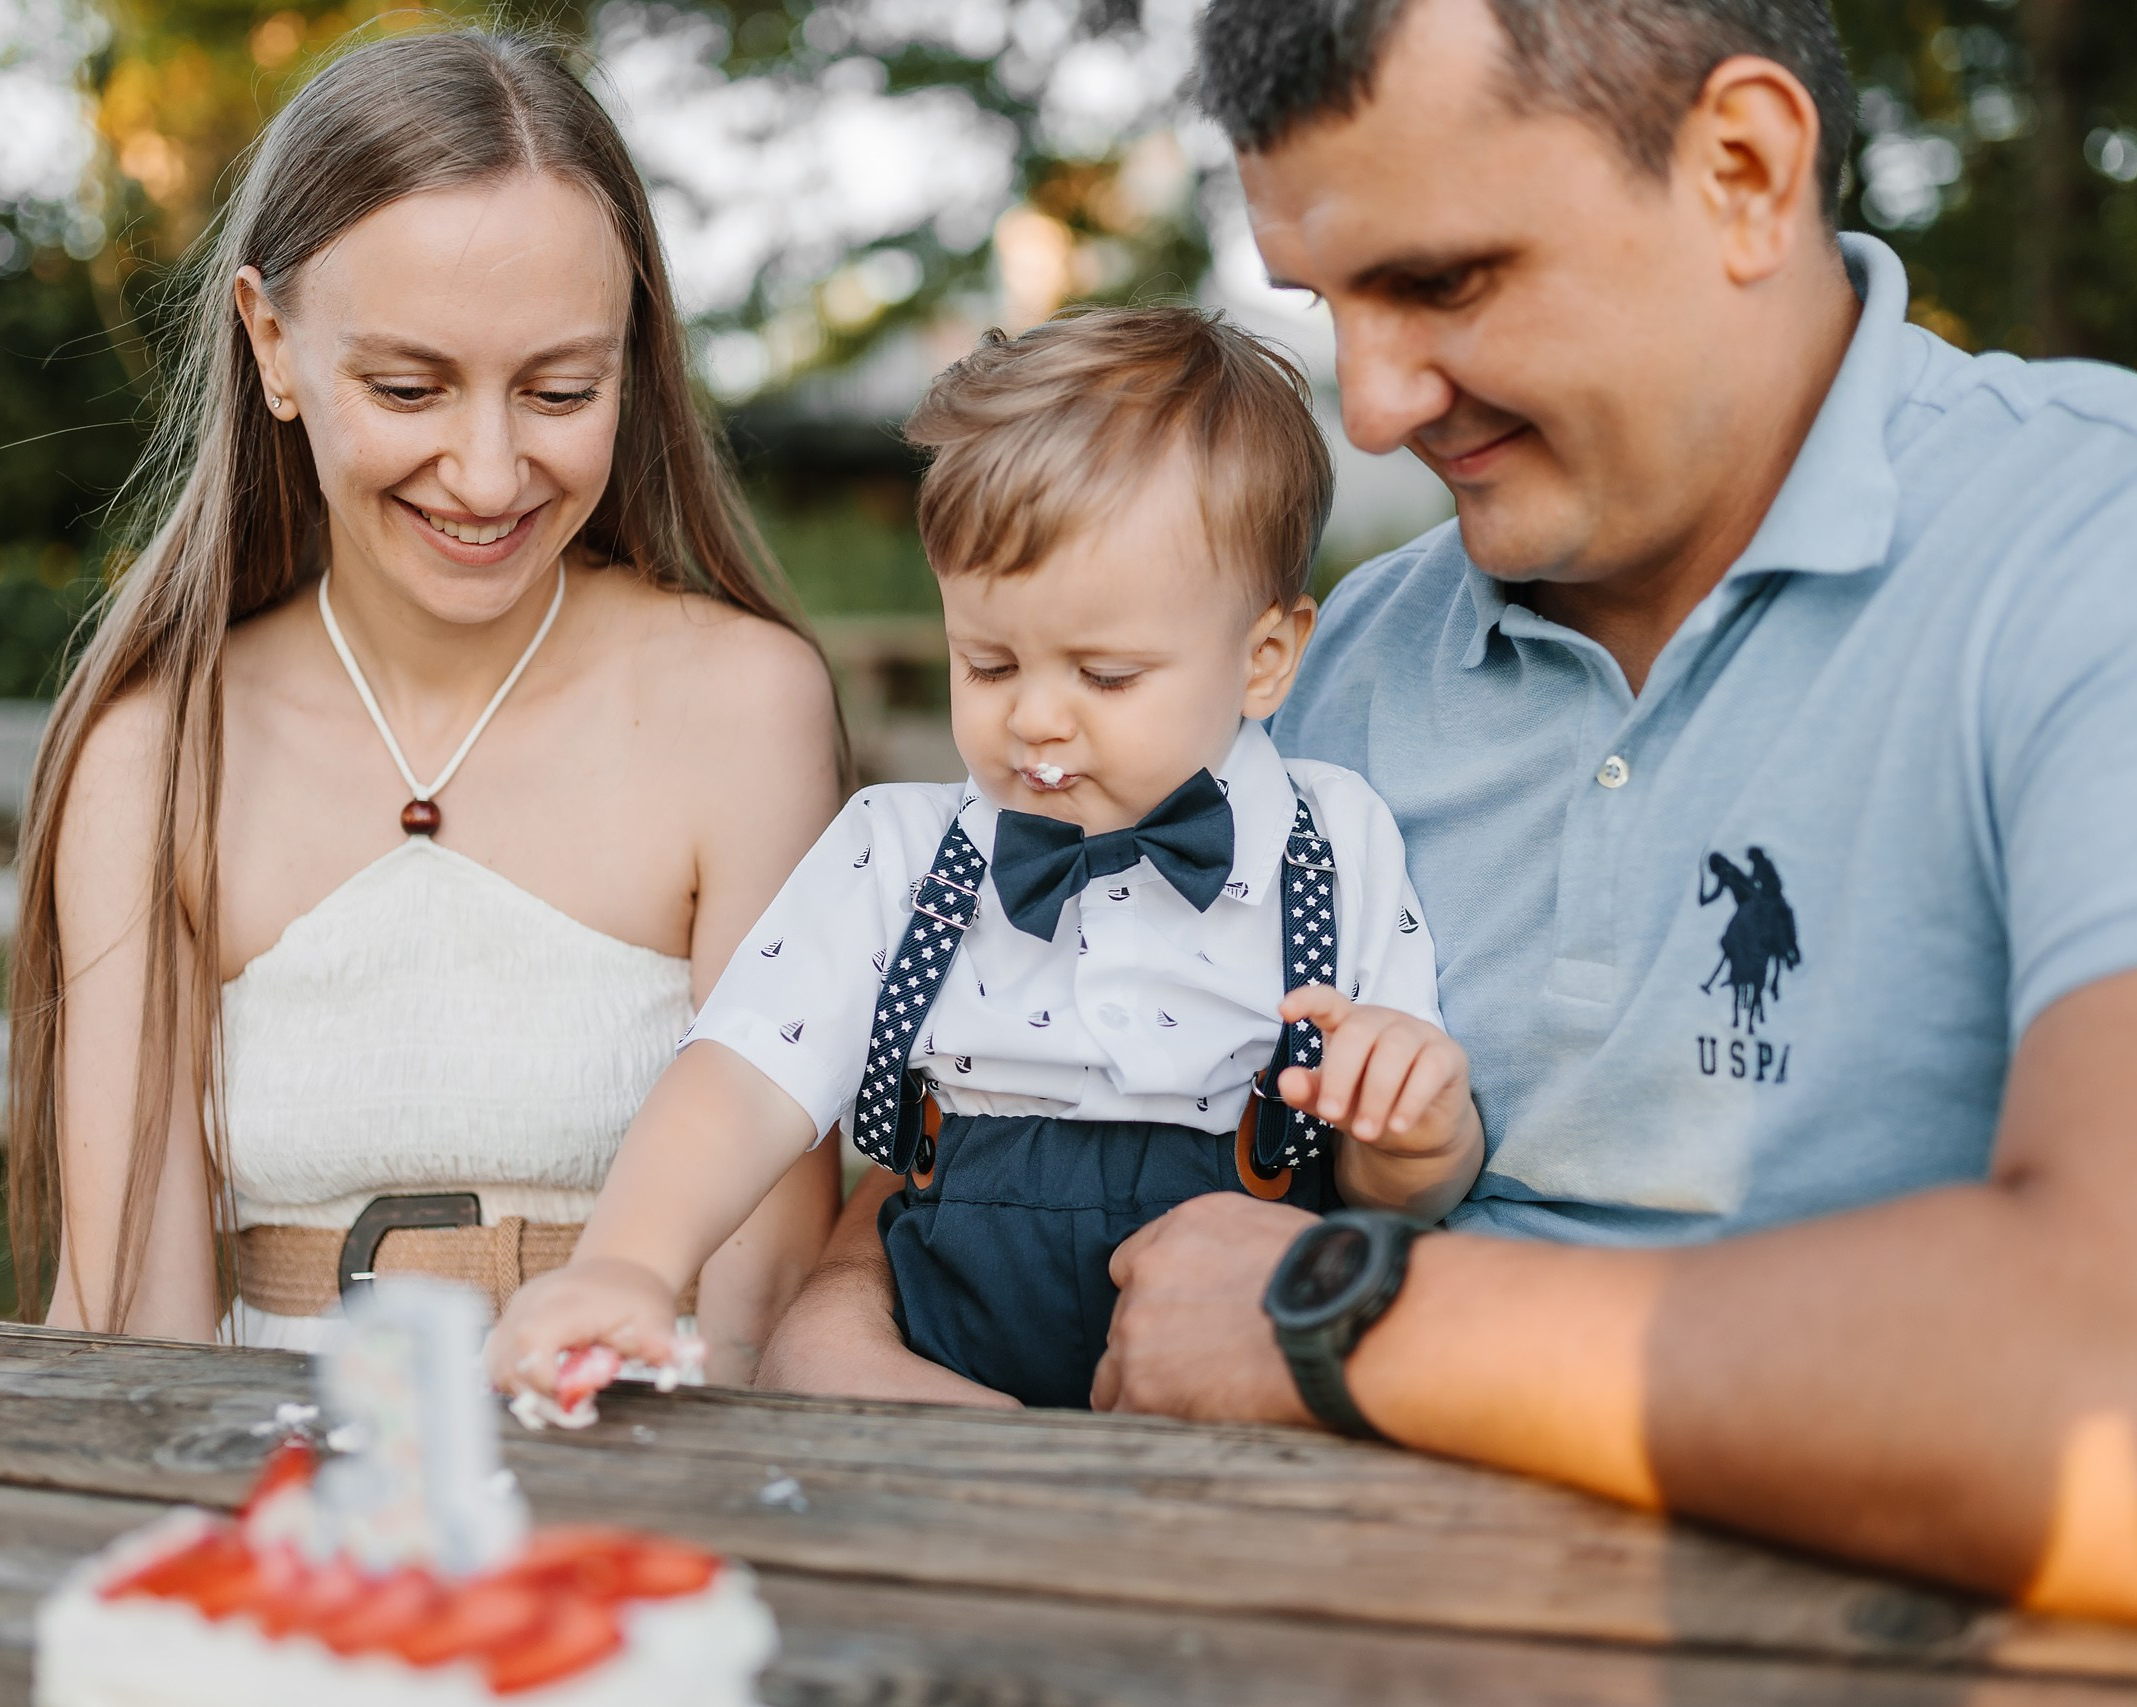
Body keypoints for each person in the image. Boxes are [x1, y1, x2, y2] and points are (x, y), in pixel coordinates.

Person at [759, 0, 2137, 1624]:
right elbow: (1011, 1085)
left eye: (1444, 282)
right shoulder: (1320, 668)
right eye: (1327, 303)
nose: (1370, 406)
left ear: (1744, 172)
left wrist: (1339, 1309)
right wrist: (843, 1322)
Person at [5, 30, 841, 1379]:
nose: (489, 472)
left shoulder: (747, 708)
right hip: (278, 1460)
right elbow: (125, 1321)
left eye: (561, 390)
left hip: (657, 1445)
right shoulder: (153, 754)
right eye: (408, 388)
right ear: (271, 343)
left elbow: (765, 1290)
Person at [488, 308, 1483, 1411]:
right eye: (990, 664)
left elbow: (1393, 1194)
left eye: (1106, 676)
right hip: (942, 1369)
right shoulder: (901, 853)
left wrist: (1416, 1135)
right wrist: (629, 1263)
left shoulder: (1332, 844)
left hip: (1228, 1390)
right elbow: (744, 1075)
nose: (1036, 719)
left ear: (1264, 659)